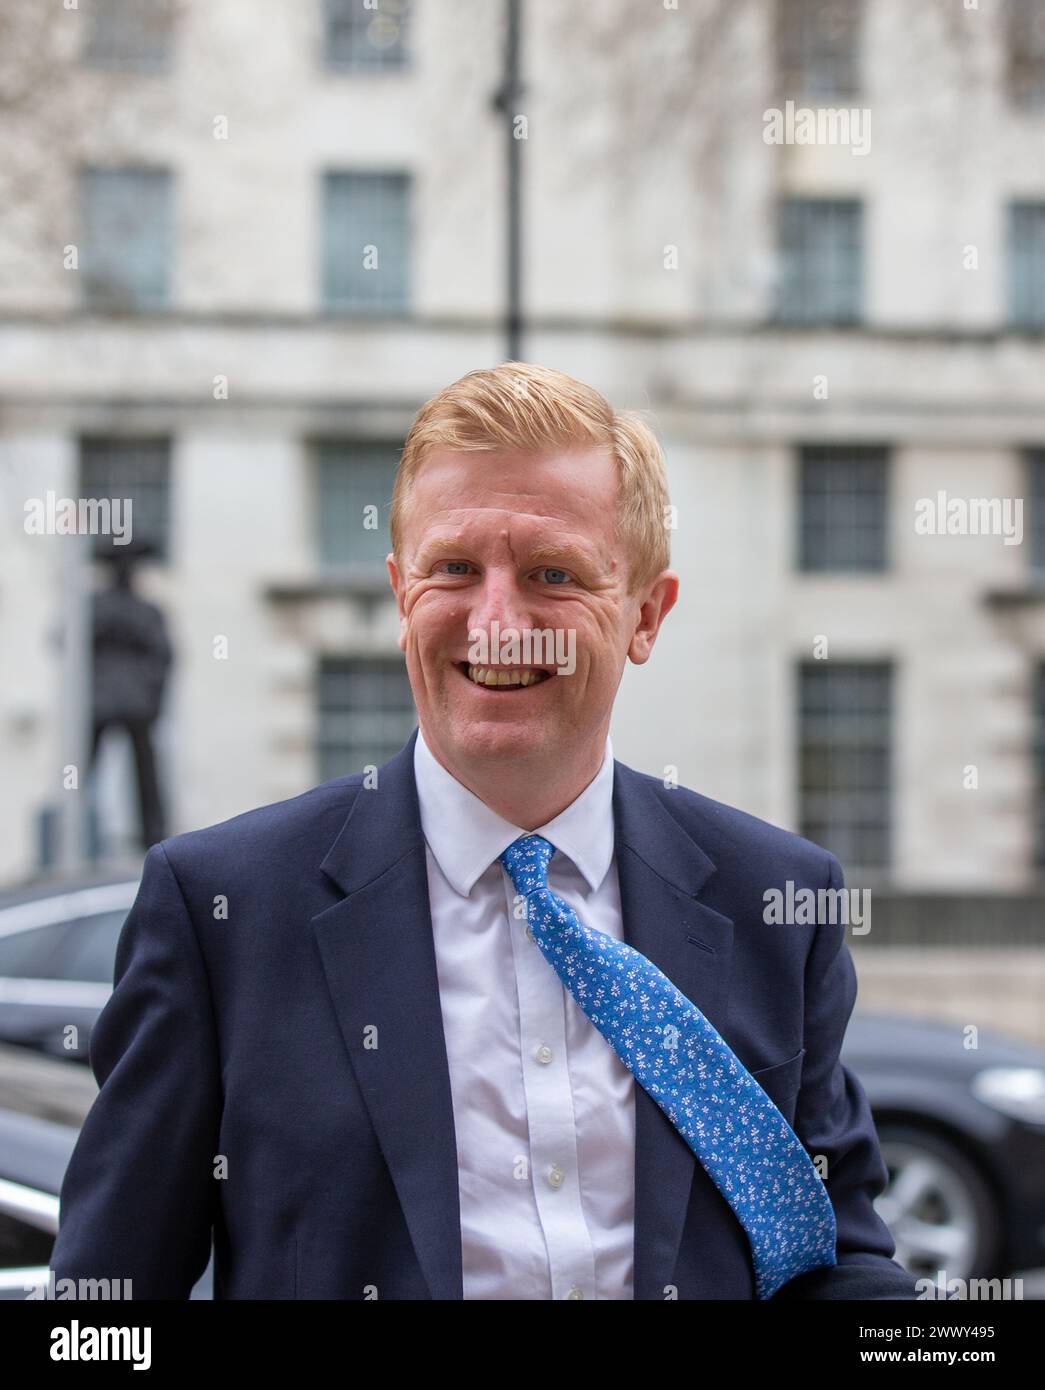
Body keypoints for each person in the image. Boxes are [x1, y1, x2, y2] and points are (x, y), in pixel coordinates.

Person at [51, 362, 918, 1300]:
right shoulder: (222, 910)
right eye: (454, 569)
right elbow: (106, 1305)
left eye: (553, 574)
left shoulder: (774, 903)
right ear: (399, 595)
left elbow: (828, 1260)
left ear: (645, 615)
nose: (499, 623)